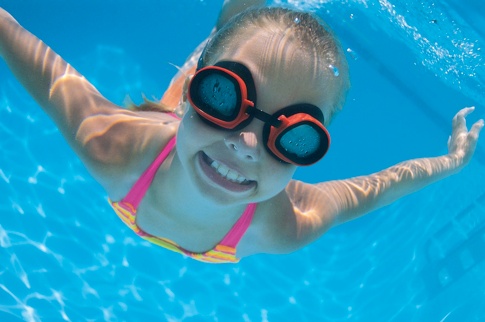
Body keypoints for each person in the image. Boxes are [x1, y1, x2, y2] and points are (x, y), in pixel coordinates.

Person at [0, 1, 482, 264]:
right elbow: (30, 54)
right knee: (226, 38)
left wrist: (453, 161)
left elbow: (380, 188)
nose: (247, 145)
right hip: (168, 134)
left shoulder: (284, 228)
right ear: (196, 94)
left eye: (292, 135)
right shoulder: (116, 148)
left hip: (186, 137)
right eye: (223, 99)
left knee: (232, 55)